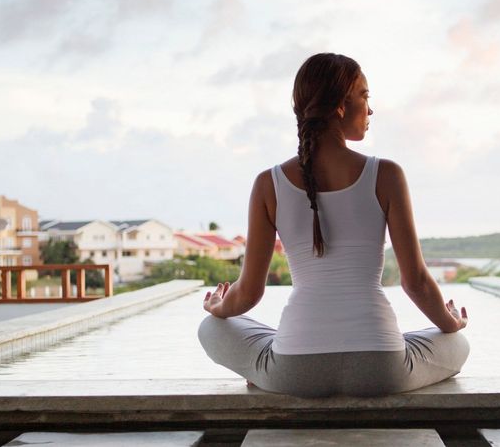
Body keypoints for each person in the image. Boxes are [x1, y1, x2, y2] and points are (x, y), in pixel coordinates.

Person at [198, 53, 469, 398]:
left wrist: (218, 307)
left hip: (295, 372)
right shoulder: (386, 174)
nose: (370, 110)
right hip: (381, 369)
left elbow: (249, 293)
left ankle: (264, 374)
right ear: (341, 105)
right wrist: (451, 323)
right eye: (365, 96)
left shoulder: (269, 183)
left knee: (211, 328)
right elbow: (414, 281)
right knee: (456, 344)